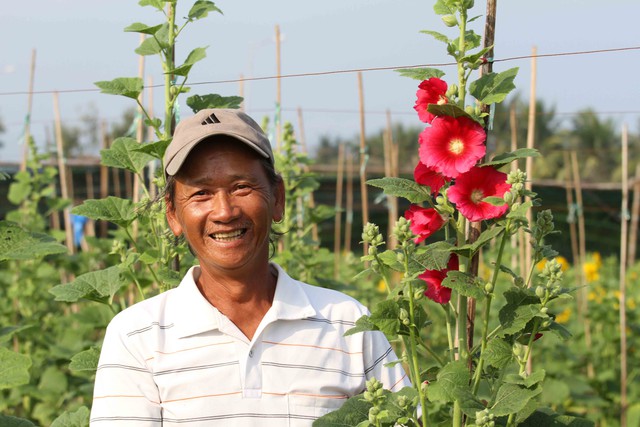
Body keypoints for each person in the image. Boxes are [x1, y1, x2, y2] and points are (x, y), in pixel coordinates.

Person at [89, 109, 410, 426]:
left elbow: (401, 419)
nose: (225, 211)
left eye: (242, 187)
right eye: (201, 193)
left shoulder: (347, 323)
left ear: (278, 198)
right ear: (173, 214)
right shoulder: (137, 336)